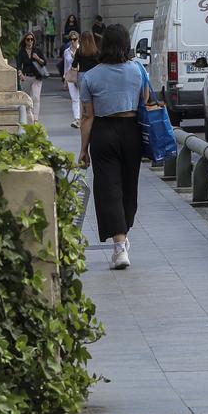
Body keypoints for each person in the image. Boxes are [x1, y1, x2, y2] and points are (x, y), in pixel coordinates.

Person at [77, 24, 146, 270]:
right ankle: (122, 237)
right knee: (129, 186)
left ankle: (119, 245)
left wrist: (83, 150)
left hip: (103, 133)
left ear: (104, 44)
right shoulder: (138, 70)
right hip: (131, 131)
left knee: (109, 188)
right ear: (126, 44)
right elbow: (145, 102)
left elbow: (87, 117)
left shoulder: (91, 76)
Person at [15, 32, 48, 123]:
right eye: (28, 39)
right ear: (25, 41)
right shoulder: (21, 52)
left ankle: (35, 119)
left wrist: (37, 58)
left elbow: (44, 63)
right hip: (26, 77)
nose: (30, 41)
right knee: (27, 98)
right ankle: (28, 115)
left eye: (32, 39)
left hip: (37, 77)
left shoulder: (37, 51)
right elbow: (18, 65)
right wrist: (20, 74)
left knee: (36, 97)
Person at [62, 31, 82, 127]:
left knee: (82, 98)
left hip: (81, 75)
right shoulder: (66, 51)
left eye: (75, 39)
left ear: (78, 39)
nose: (73, 41)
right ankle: (77, 118)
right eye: (71, 39)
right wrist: (65, 78)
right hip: (70, 76)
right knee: (74, 98)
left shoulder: (81, 50)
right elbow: (66, 66)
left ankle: (83, 117)